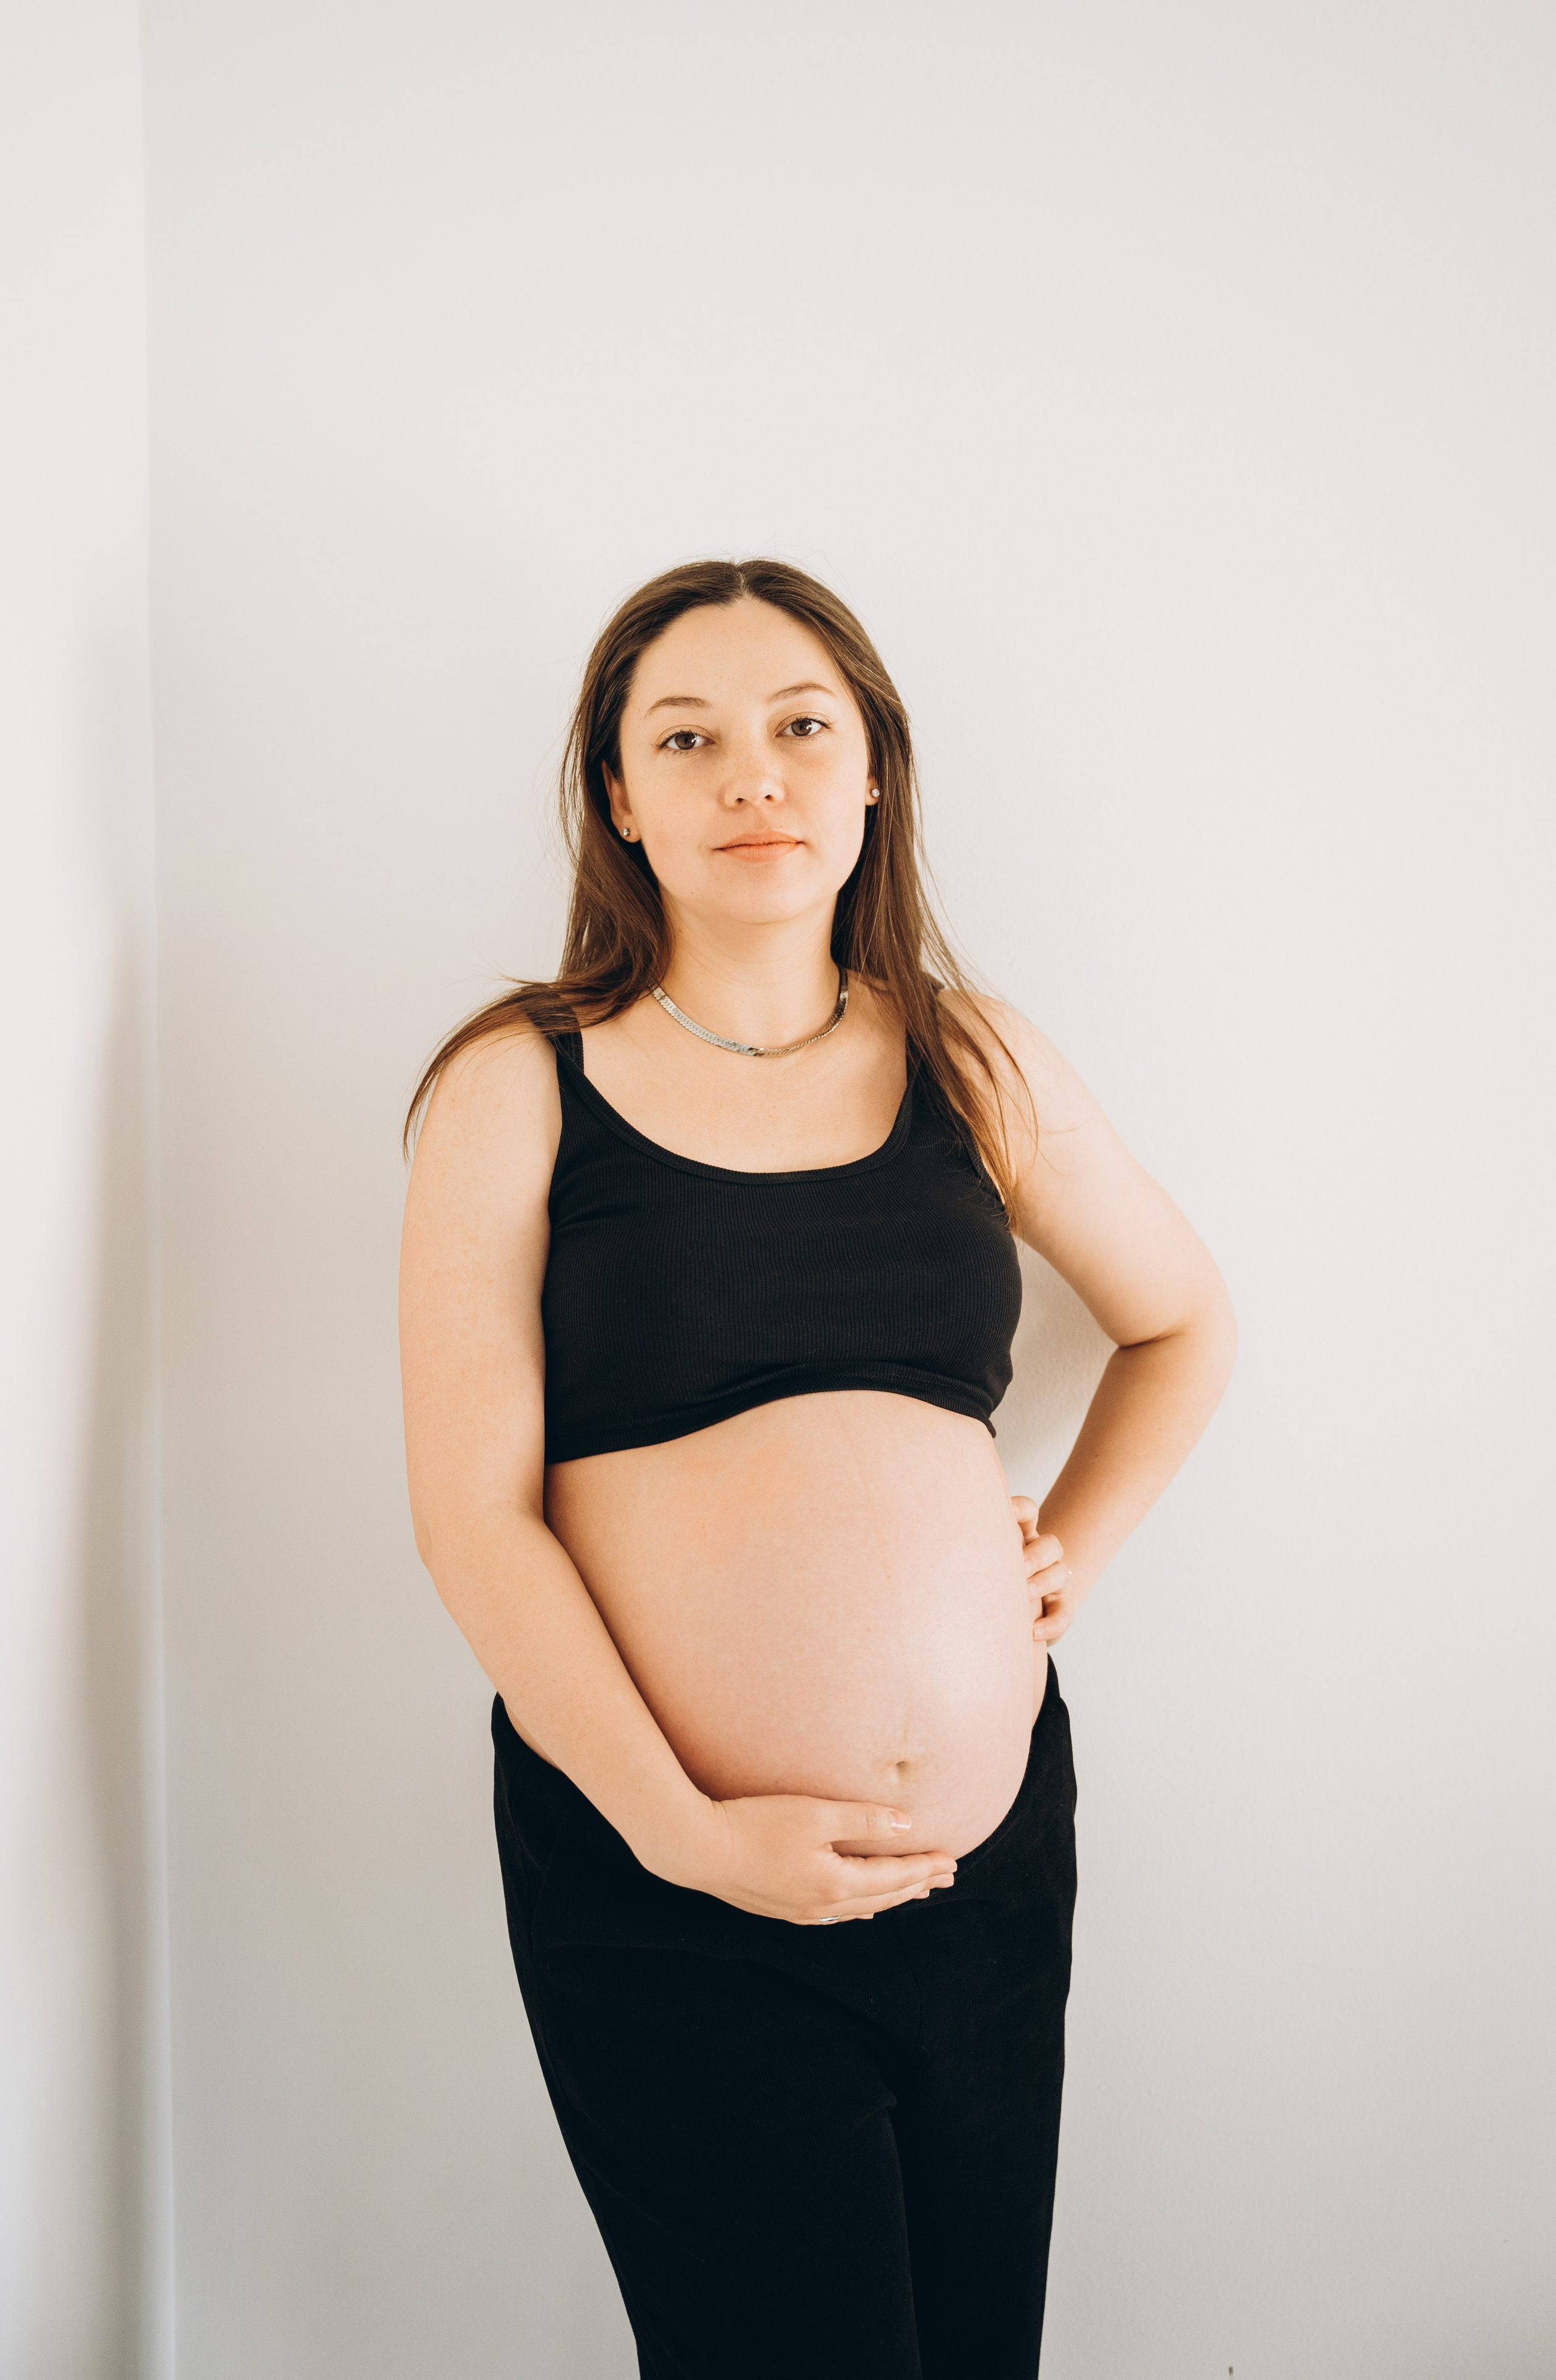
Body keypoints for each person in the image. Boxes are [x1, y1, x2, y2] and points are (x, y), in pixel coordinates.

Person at [398, 558, 1236, 2379]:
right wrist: (685, 1834)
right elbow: (475, 1515)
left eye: (801, 728)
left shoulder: (970, 1056)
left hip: (987, 1878)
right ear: (622, 800)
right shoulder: (521, 1082)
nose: (750, 775)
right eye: (684, 738)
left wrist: (1064, 1556)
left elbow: (1184, 1324)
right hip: (664, 1873)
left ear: (874, 776)